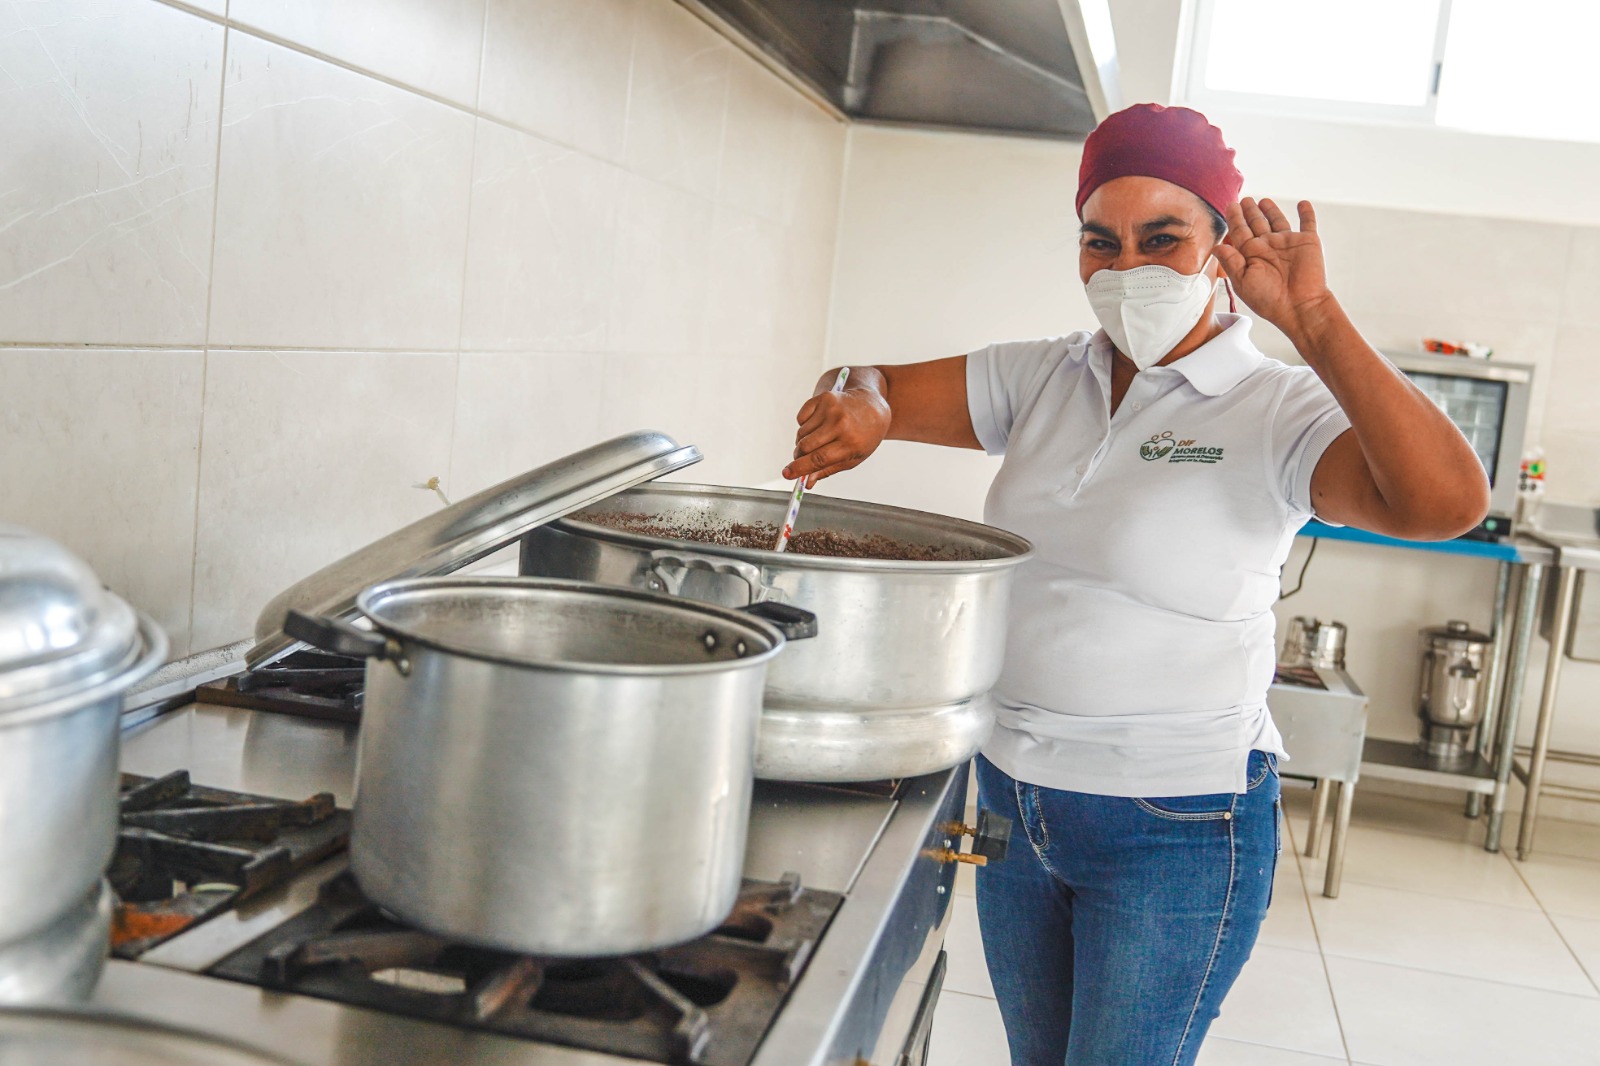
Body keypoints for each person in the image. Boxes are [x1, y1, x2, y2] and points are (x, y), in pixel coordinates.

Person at [780, 103, 1488, 1065]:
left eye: (1163, 239)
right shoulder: (1046, 377)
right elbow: (871, 378)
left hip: (1176, 824)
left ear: (1223, 245)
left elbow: (1445, 503)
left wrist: (1314, 321)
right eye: (1098, 243)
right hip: (1016, 797)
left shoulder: (1275, 406)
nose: (1126, 270)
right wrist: (859, 406)